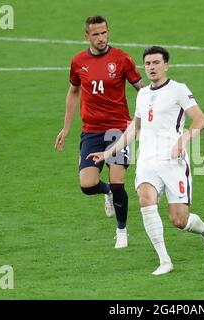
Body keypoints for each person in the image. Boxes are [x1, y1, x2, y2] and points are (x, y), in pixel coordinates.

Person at [86, 46, 204, 275]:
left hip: (172, 162)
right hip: (147, 162)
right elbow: (133, 129)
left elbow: (200, 119)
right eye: (148, 63)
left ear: (166, 65)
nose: (151, 67)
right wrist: (109, 152)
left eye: (156, 63)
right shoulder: (142, 94)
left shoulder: (179, 90)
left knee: (179, 220)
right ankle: (165, 260)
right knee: (145, 200)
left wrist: (184, 139)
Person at [55, 15, 145, 249]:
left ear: (108, 32)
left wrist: (152, 112)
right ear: (87, 36)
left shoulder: (122, 59)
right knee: (87, 185)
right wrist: (66, 128)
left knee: (118, 181)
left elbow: (141, 90)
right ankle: (105, 192)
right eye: (95, 34)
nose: (101, 38)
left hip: (118, 129)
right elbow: (73, 92)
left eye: (104, 33)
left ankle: (122, 231)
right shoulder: (78, 62)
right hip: (91, 131)